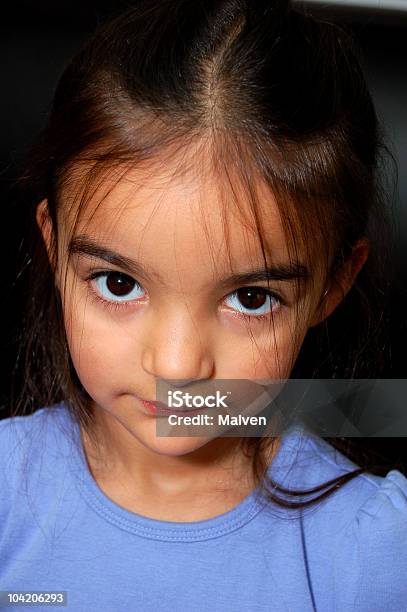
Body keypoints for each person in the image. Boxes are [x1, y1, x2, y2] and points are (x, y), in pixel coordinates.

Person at [1, 0, 406, 610]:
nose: (177, 366)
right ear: (55, 253)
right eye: (118, 284)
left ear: (331, 288)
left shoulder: (373, 550)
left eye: (250, 298)